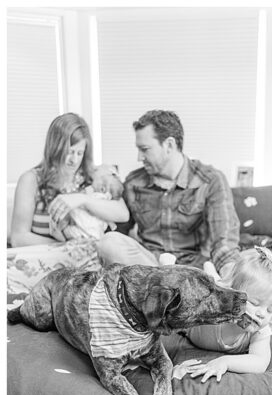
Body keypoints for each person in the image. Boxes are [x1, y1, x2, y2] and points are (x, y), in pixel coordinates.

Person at [95, 110, 240, 273]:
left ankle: (178, 283)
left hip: (192, 269)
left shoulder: (211, 181)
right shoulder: (133, 182)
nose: (139, 157)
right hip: (148, 265)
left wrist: (230, 272)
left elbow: (224, 242)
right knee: (108, 242)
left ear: (169, 145)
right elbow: (118, 231)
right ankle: (165, 281)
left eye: (145, 149)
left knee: (240, 266)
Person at [10, 113, 129, 247]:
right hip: (49, 260)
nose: (74, 160)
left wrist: (82, 199)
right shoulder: (31, 180)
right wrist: (68, 246)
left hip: (85, 259)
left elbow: (123, 214)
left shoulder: (93, 177)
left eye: (80, 153)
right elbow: (18, 238)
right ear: (55, 148)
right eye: (69, 152)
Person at [176, 247, 272, 382]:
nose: (262, 314)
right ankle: (206, 270)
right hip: (193, 328)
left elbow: (260, 362)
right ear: (231, 294)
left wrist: (226, 362)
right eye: (254, 303)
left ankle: (212, 271)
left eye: (270, 310)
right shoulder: (216, 306)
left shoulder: (260, 331)